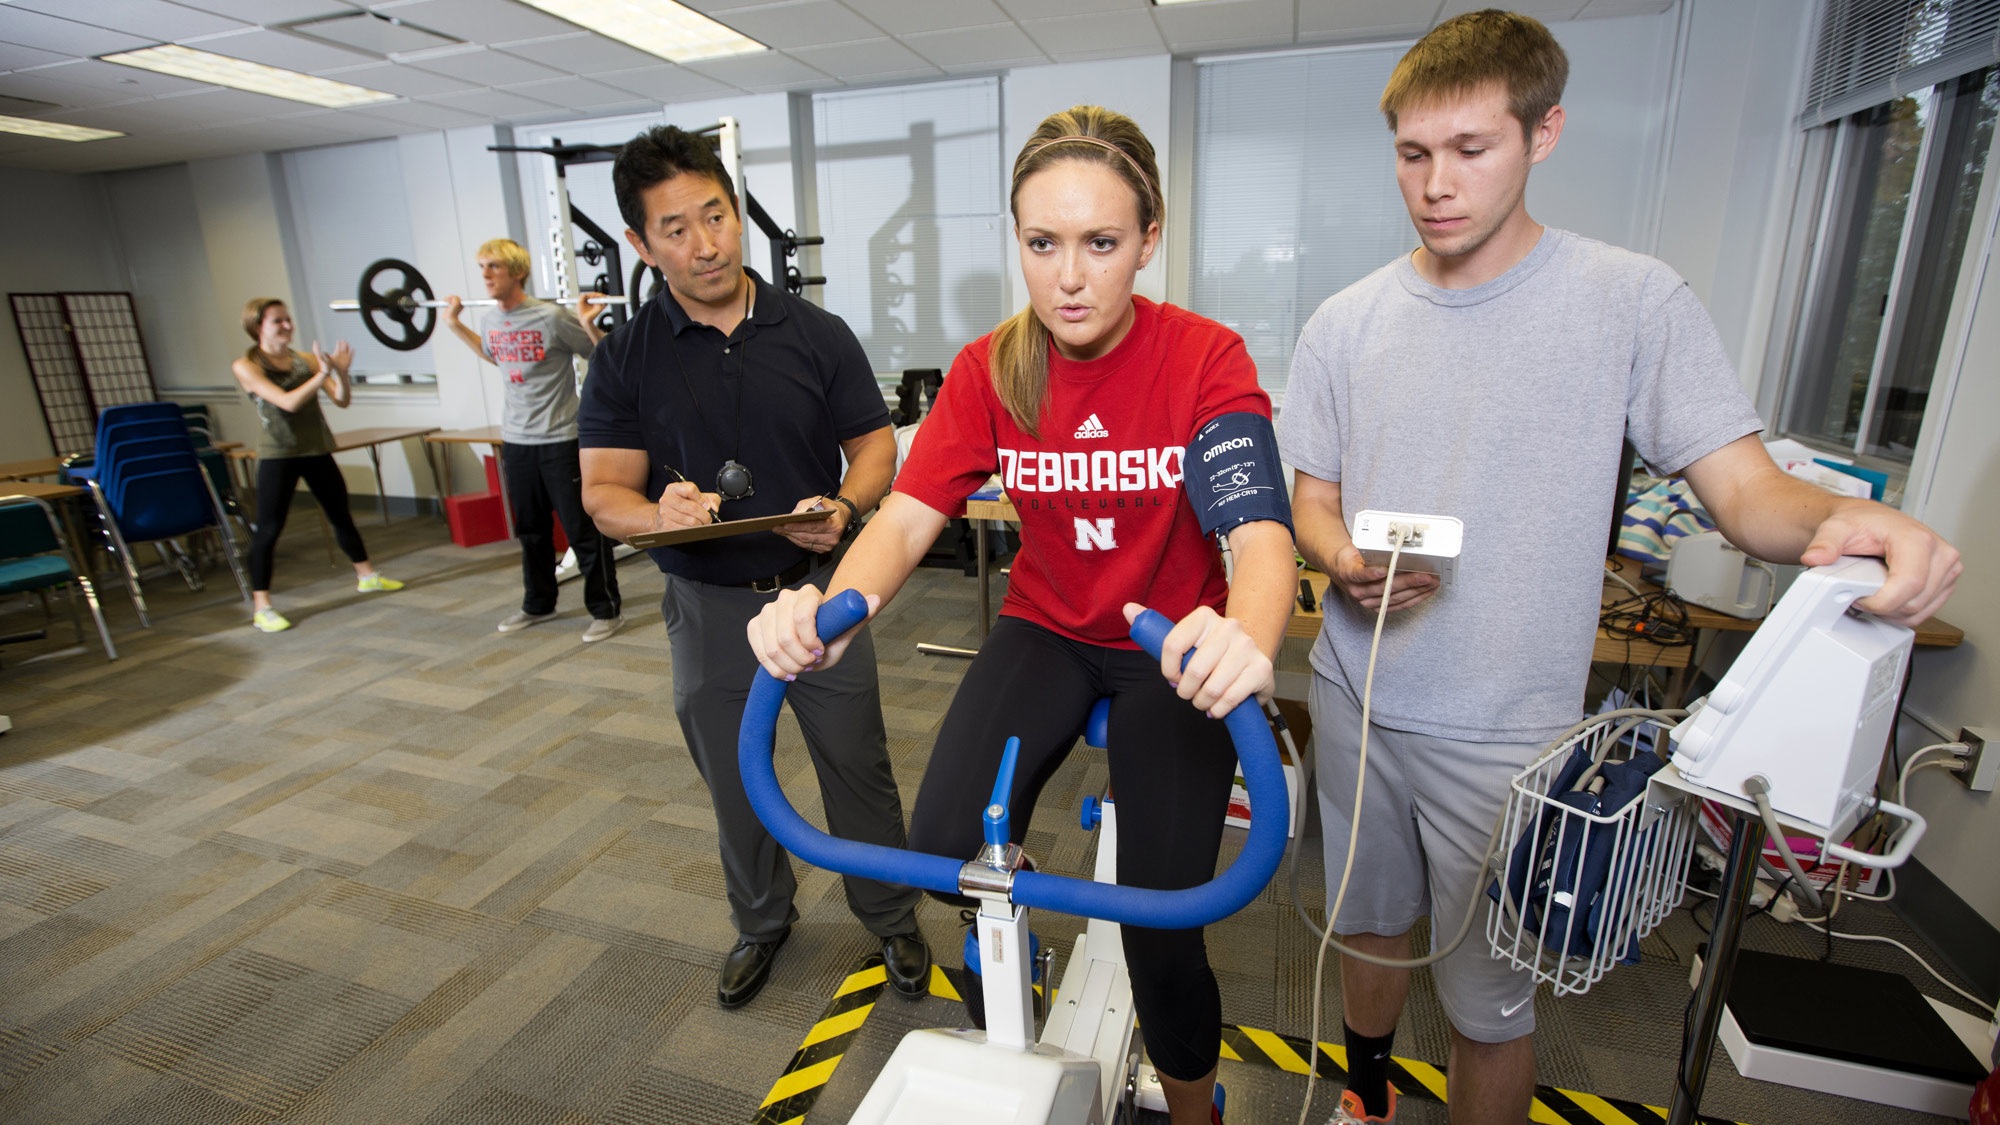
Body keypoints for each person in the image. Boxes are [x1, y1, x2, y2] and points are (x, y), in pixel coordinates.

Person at [1278, 13, 1963, 1125]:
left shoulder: (1628, 301)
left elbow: (1744, 498)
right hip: (1358, 698)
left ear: (1542, 133)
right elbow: (1311, 499)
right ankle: (1365, 1101)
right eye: (1412, 154)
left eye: (1470, 150)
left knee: (1488, 1003)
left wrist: (1851, 520)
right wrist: (1341, 558)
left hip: (1507, 728)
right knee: (1364, 924)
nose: (1435, 184)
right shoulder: (1344, 323)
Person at [750, 105, 1298, 1125]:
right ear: (1018, 241)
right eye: (1042, 245)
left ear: (1148, 237)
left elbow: (1259, 535)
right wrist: (827, 612)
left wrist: (1243, 639)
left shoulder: (1202, 358)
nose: (1069, 277)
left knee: (1161, 922)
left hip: (1168, 642)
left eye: (1100, 243)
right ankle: (1020, 1005)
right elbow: (907, 519)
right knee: (950, 847)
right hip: (1047, 627)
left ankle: (1192, 1112)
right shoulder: (992, 365)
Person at [576, 125, 930, 1011]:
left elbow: (875, 446)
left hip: (822, 599)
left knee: (858, 766)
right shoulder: (625, 354)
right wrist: (655, 514)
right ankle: (762, 921)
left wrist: (847, 508)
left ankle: (891, 916)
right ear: (641, 244)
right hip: (705, 607)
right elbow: (601, 494)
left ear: (736, 216)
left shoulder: (814, 332)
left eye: (717, 216)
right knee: (736, 779)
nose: (706, 244)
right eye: (677, 228)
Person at [443, 238, 623, 642]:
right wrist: (455, 326)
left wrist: (591, 323)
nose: (486, 276)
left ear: (517, 272)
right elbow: (497, 356)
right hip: (517, 440)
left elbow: (602, 356)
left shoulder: (552, 318)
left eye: (494, 267)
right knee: (531, 529)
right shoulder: (490, 320)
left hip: (560, 437)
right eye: (482, 268)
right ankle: (539, 603)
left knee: (582, 530)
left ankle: (605, 609)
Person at [232, 298, 404, 634]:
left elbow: (340, 399)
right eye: (277, 321)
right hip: (278, 453)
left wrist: (339, 372)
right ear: (257, 328)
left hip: (316, 448)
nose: (286, 326)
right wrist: (322, 372)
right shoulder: (246, 366)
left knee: (340, 514)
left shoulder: (306, 360)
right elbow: (288, 402)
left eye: (287, 319)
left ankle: (366, 575)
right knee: (269, 528)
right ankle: (262, 605)